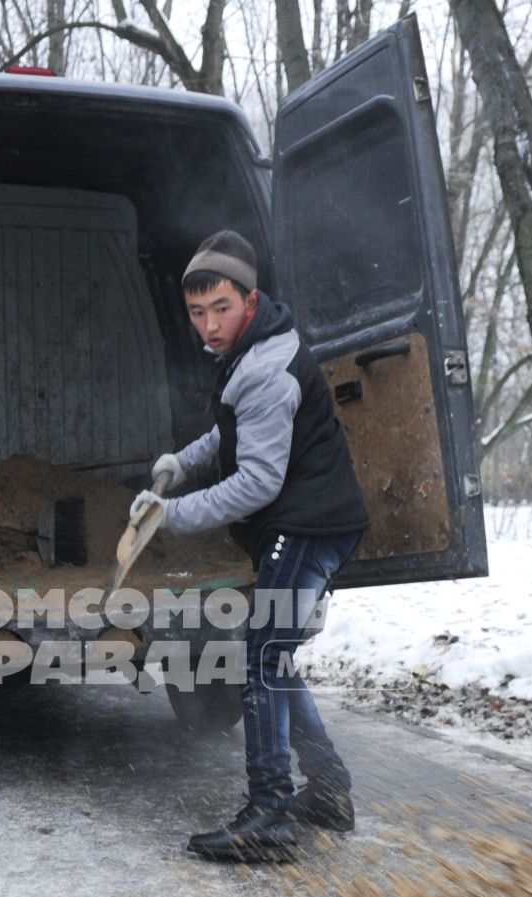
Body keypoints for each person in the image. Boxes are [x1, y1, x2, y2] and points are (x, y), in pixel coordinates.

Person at [130, 230, 369, 862]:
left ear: (249, 298)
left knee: (261, 658)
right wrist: (179, 464)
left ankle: (268, 812)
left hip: (306, 524)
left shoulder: (264, 368)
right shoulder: (255, 346)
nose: (208, 326)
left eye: (221, 309)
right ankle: (329, 791)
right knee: (277, 657)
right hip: (313, 518)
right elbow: (230, 431)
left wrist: (170, 515)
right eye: (197, 312)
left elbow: (257, 482)